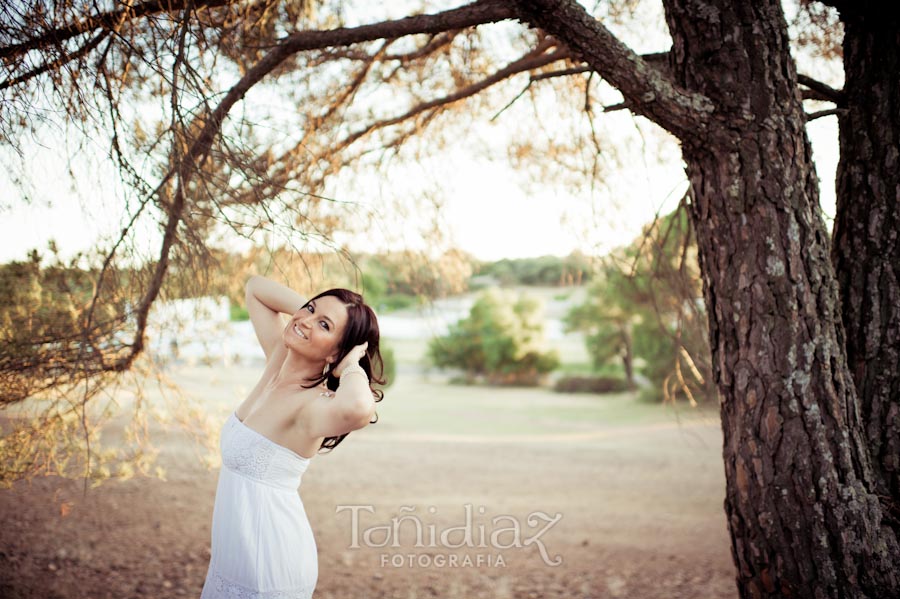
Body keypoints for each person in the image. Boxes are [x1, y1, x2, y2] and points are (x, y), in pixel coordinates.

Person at [200, 275, 385, 598]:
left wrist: (350, 364)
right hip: (234, 559)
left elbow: (358, 407)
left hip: (268, 567)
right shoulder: (277, 361)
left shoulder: (314, 405)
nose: (305, 319)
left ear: (335, 353)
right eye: (310, 308)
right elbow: (256, 288)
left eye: (324, 325)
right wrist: (313, 319)